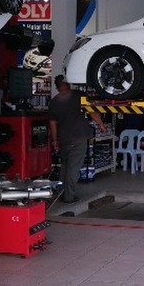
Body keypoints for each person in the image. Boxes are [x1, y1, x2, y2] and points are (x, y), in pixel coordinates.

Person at [48, 75, 106, 203]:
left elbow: (52, 123)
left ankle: (61, 193)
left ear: (57, 87)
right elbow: (92, 112)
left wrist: (55, 140)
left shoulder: (54, 101)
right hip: (78, 138)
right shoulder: (78, 95)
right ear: (68, 84)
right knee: (73, 168)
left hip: (63, 138)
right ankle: (69, 196)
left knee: (65, 167)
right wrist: (101, 124)